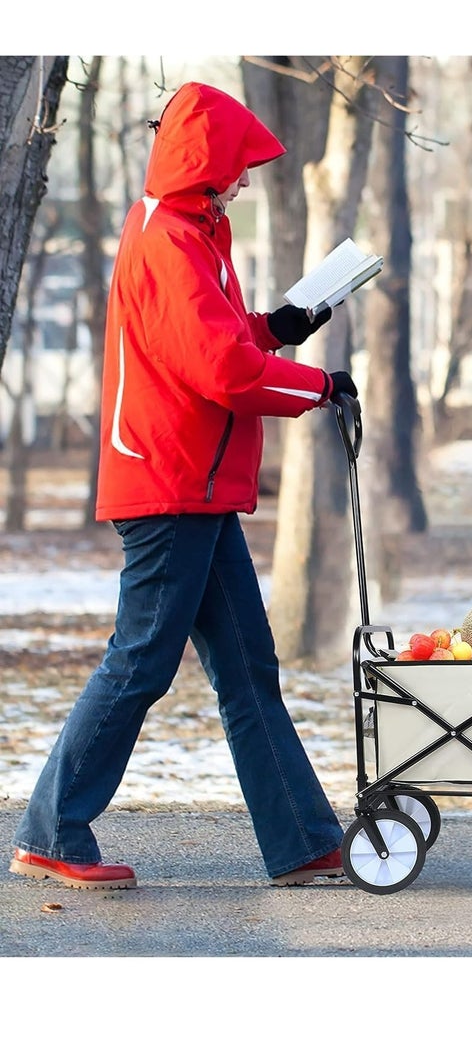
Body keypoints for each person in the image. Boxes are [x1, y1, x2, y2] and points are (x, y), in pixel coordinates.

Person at [9, 81, 358, 891]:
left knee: (245, 669)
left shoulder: (190, 235)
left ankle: (303, 841)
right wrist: (316, 386)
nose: (243, 182)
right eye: (237, 168)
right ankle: (51, 831)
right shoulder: (168, 239)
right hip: (169, 487)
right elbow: (223, 371)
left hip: (193, 489)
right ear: (206, 164)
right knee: (140, 663)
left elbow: (228, 340)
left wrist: (288, 324)